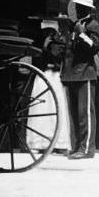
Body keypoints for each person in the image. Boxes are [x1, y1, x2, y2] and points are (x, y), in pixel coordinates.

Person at [62, 0, 99, 159]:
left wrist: (82, 34)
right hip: (71, 74)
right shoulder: (73, 25)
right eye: (77, 6)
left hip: (85, 74)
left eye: (80, 7)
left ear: (87, 9)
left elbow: (95, 47)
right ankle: (77, 146)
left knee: (85, 114)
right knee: (74, 114)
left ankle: (86, 149)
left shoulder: (92, 25)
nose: (77, 9)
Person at [26, 18, 72, 153]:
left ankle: (59, 143)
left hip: (55, 78)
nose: (49, 35)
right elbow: (36, 61)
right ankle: (38, 143)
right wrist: (44, 48)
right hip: (42, 77)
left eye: (52, 32)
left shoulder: (61, 45)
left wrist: (49, 50)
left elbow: (60, 62)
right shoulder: (37, 45)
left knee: (56, 107)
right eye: (46, 32)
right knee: (41, 108)